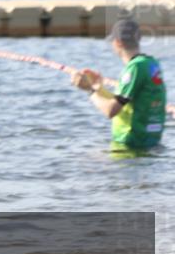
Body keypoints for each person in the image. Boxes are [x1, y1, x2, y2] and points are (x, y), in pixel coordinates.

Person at [71, 18, 166, 154]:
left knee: (87, 161)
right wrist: (99, 88)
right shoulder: (151, 64)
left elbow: (111, 110)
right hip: (150, 142)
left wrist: (90, 91)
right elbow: (125, 104)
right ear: (139, 38)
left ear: (117, 43)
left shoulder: (135, 68)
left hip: (131, 146)